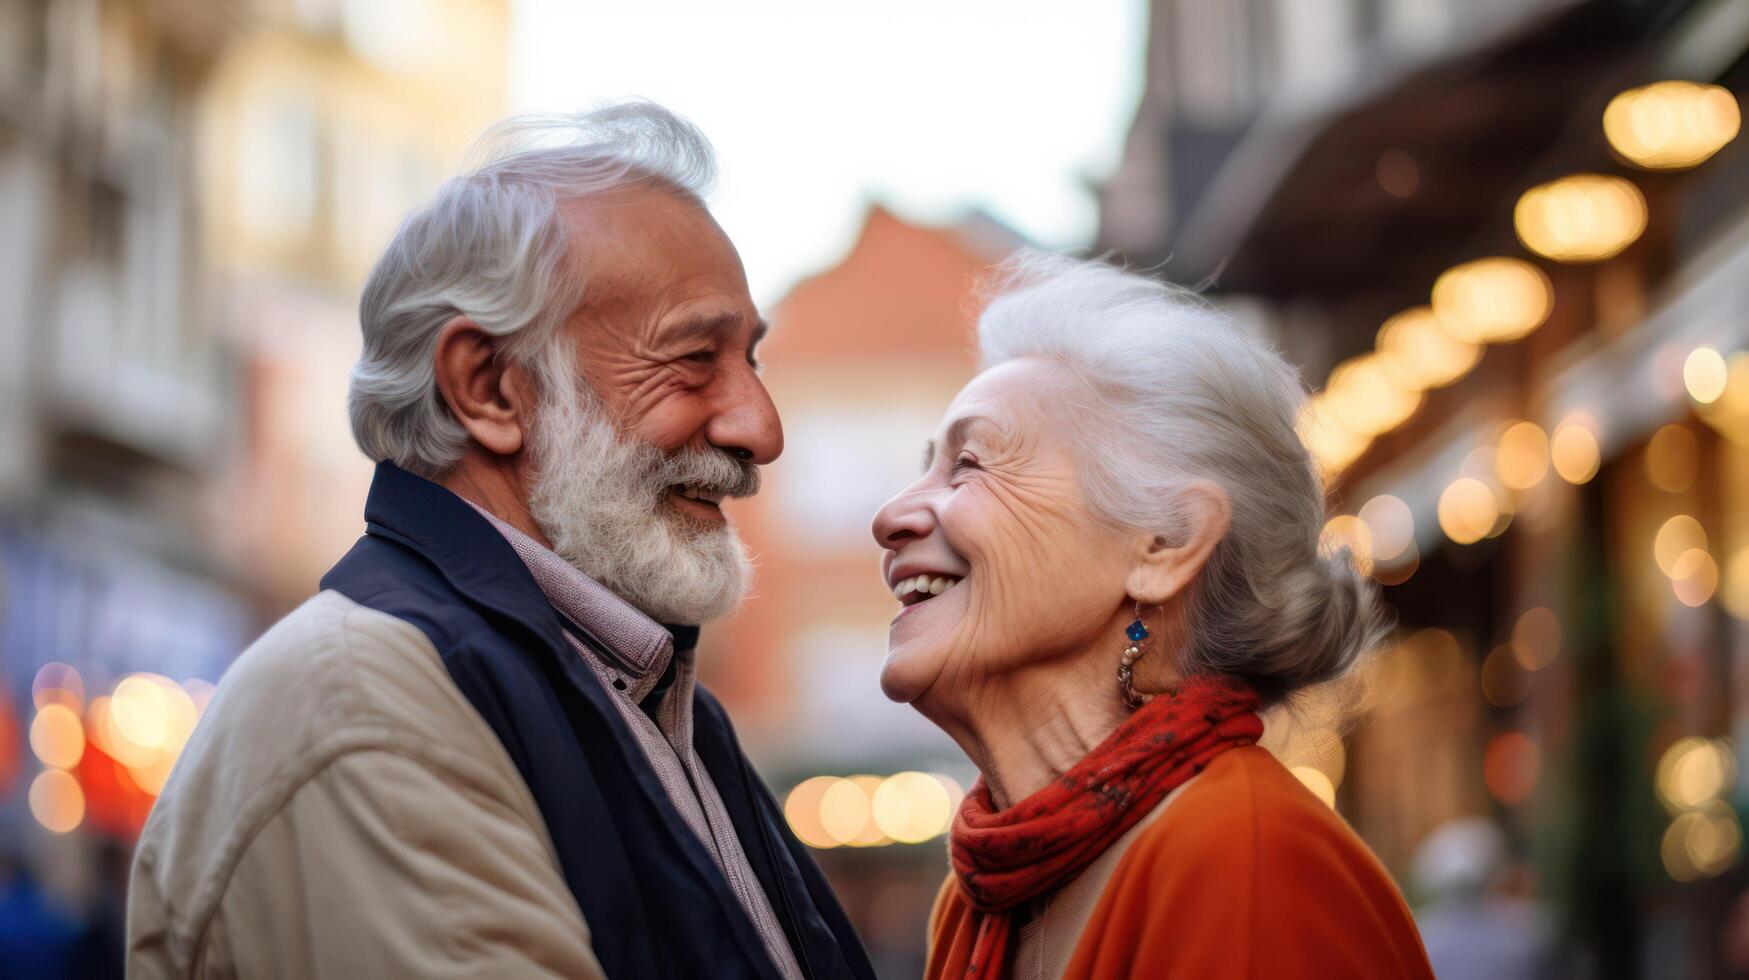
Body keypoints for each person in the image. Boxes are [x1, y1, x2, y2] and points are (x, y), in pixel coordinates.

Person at [128, 101, 874, 980]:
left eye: (751, 359)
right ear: (488, 388)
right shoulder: (363, 698)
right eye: (691, 359)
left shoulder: (654, 700)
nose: (760, 427)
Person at [872, 255, 1435, 979]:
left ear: (1164, 545)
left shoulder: (1246, 858)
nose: (890, 517)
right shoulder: (980, 898)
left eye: (971, 464)